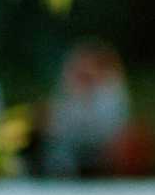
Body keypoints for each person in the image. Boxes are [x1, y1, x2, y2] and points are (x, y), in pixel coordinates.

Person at [40, 40, 132, 178]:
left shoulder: (110, 90)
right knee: (58, 155)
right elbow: (55, 126)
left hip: (103, 147)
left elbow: (114, 126)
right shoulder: (68, 89)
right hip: (72, 147)